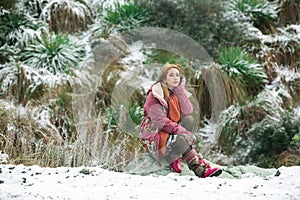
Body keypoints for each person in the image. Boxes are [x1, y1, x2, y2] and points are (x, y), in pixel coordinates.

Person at [139, 63, 222, 178]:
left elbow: (187, 110)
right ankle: (200, 169)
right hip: (155, 137)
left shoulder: (175, 92)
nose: (175, 78)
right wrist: (183, 132)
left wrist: (180, 90)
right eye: (171, 75)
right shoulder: (154, 95)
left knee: (189, 119)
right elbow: (160, 122)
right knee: (182, 139)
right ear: (164, 78)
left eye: (177, 75)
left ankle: (174, 154)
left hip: (168, 132)